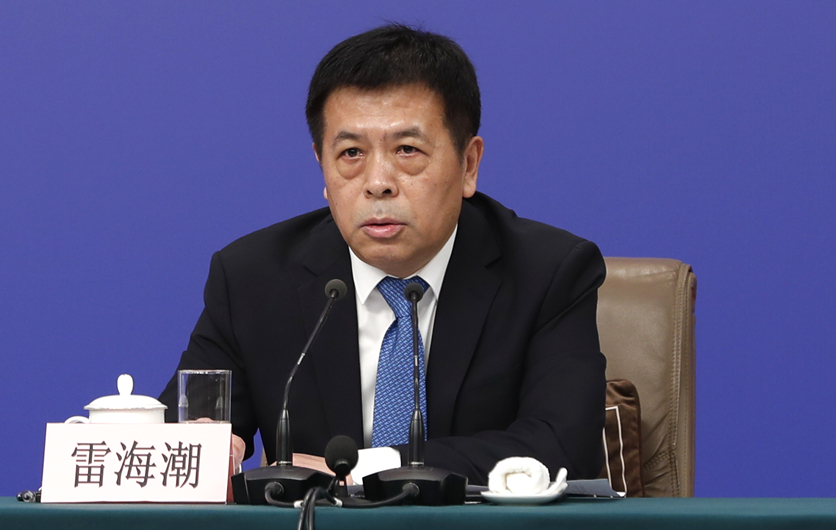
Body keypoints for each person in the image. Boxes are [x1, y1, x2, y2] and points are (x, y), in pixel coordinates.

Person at [158, 24, 607, 486]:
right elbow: (177, 437)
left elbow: (562, 446)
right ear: (322, 165)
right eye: (351, 153)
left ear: (469, 164)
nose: (377, 183)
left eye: (407, 150)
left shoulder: (547, 273)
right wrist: (201, 449)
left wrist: (367, 469)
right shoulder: (253, 279)